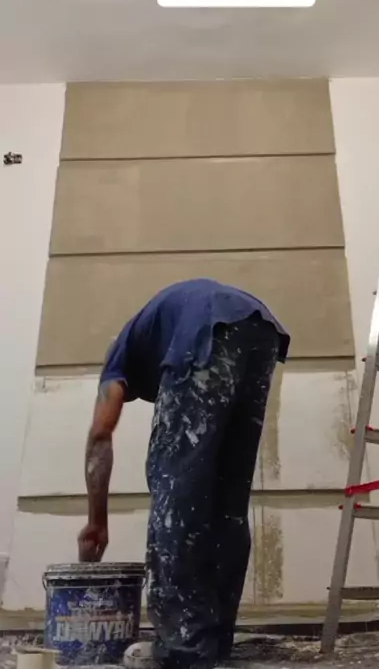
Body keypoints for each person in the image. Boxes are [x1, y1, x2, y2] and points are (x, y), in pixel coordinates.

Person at [77, 278, 290, 669]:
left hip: (206, 330)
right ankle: (212, 640)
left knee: (175, 491)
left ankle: (180, 647)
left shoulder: (118, 357)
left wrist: (97, 522)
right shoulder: (157, 331)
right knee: (227, 500)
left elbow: (100, 435)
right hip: (261, 331)